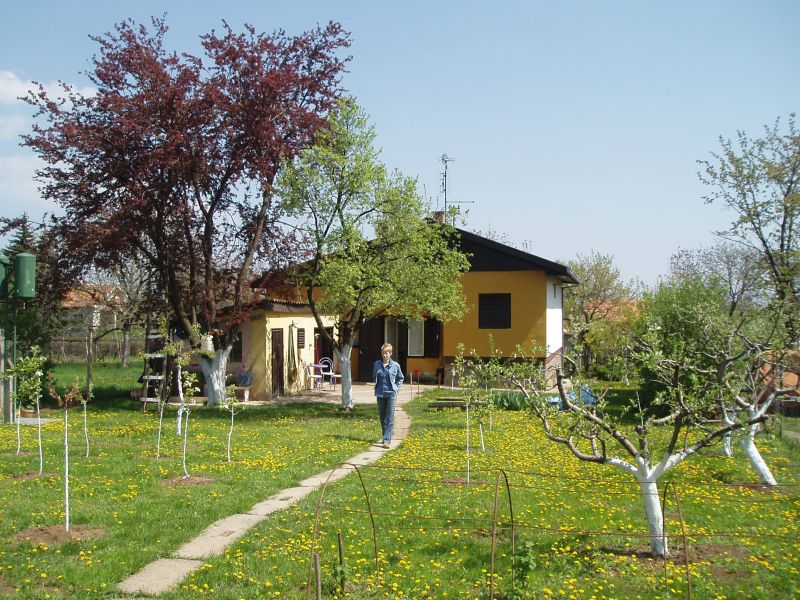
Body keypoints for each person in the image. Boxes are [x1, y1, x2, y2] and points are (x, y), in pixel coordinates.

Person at [373, 343, 404, 449]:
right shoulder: (377, 364)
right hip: (380, 394)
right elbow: (375, 376)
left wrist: (397, 388)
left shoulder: (396, 365)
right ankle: (385, 435)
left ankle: (387, 440)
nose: (385, 355)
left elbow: (400, 378)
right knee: (382, 417)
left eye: (387, 353)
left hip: (391, 394)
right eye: (383, 353)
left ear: (390, 353)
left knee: (389, 418)